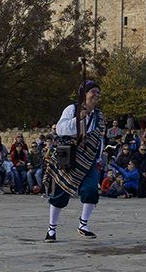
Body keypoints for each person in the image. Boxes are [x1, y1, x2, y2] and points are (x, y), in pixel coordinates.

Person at [44, 80, 105, 241]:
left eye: (98, 93)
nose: (96, 96)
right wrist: (77, 119)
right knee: (60, 194)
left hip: (89, 159)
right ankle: (51, 229)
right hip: (70, 156)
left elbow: (99, 138)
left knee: (91, 190)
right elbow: (60, 129)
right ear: (84, 94)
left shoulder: (99, 115)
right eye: (93, 92)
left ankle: (83, 225)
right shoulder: (72, 109)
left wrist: (98, 157)